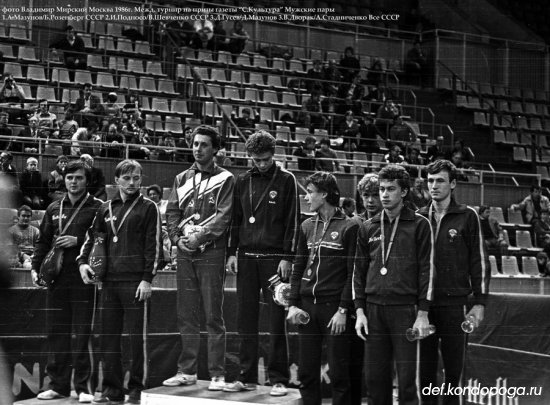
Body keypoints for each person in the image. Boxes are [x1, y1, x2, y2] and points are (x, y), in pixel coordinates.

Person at [77, 159, 162, 404]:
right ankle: (112, 390)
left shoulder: (149, 207)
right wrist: (83, 262)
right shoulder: (105, 207)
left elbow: (153, 247)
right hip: (108, 283)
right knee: (108, 338)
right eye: (127, 178)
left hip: (135, 283)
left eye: (136, 177)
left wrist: (147, 279)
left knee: (137, 339)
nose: (132, 182)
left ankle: (136, 389)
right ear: (116, 180)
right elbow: (92, 239)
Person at [224, 131, 299, 396]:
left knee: (276, 319)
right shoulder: (242, 180)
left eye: (266, 159)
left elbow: (293, 220)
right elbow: (236, 218)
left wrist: (288, 257)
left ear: (274, 154)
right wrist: (232, 252)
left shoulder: (287, 180)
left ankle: (278, 378)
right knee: (245, 319)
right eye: (256, 160)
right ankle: (246, 376)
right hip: (245, 258)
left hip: (274, 260)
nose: (262, 164)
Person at [353, 164, 434, 405]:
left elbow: (428, 271)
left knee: (409, 381)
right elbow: (358, 272)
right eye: (381, 189)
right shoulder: (368, 227)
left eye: (391, 189)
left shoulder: (419, 225)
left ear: (405, 192)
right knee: (375, 381)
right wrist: (359, 311)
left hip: (406, 311)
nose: (384, 195)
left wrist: (423, 313)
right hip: (373, 310)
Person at [163, 125, 235, 391]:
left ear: (215, 149)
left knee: (213, 315)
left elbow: (224, 216)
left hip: (211, 253)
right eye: (194, 143)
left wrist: (199, 238)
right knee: (186, 313)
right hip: (184, 253)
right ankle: (187, 371)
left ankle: (217, 373)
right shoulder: (181, 178)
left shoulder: (226, 178)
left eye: (204, 144)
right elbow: (172, 212)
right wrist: (176, 239)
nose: (197, 148)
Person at [418, 159, 489, 405]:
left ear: (453, 184)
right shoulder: (418, 218)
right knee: (424, 372)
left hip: (455, 305)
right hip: (423, 308)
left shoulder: (467, 216)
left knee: (453, 372)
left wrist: (479, 302)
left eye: (440, 181)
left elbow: (479, 261)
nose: (434, 186)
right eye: (430, 181)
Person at [32, 160, 103, 403]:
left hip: (84, 278)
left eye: (79, 178)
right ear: (64, 179)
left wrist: (79, 239)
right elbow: (42, 241)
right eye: (70, 177)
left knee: (82, 333)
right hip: (57, 278)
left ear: (87, 180)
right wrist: (35, 268)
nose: (73, 182)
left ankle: (83, 387)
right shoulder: (53, 207)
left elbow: (102, 237)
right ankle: (58, 385)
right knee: (57, 332)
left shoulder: (98, 207)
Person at [287, 171, 359, 405]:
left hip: (333, 310)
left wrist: (343, 310)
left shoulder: (350, 226)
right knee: (307, 371)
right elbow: (298, 267)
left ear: (325, 194)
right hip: (307, 307)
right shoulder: (307, 224)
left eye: (310, 192)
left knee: (339, 372)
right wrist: (293, 304)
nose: (306, 197)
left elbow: (352, 273)